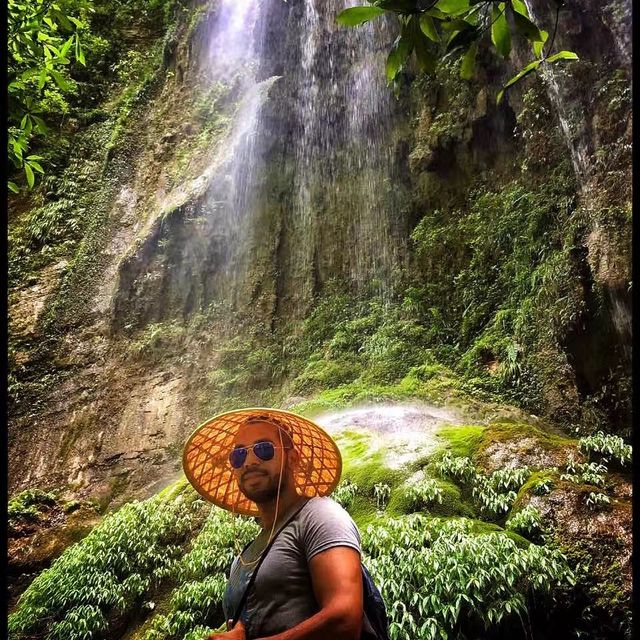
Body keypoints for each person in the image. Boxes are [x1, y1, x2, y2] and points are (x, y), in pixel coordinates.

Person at [182, 408, 364, 640]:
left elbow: (345, 620)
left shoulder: (319, 515)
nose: (249, 461)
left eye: (264, 449)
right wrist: (239, 632)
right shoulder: (244, 556)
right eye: (238, 455)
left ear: (294, 459)